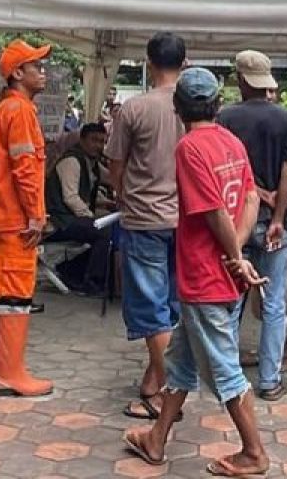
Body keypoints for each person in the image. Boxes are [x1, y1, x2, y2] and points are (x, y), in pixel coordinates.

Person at [121, 67, 270, 475]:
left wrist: (232, 253)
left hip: (206, 275)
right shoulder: (231, 142)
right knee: (182, 361)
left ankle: (254, 452)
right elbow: (252, 198)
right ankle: (156, 439)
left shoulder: (190, 148)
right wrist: (238, 252)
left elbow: (213, 212)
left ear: (177, 107)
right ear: (217, 105)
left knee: (224, 367)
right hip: (218, 272)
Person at [105, 32, 187, 421]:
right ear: (184, 64)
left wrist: (122, 194)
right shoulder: (195, 109)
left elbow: (114, 167)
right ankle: (153, 383)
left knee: (150, 308)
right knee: (170, 303)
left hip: (143, 218)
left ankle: (167, 392)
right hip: (184, 220)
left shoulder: (133, 109)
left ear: (149, 63)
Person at [0, 39, 54, 397]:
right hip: (15, 219)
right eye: (37, 66)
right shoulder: (19, 112)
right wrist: (36, 215)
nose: (43, 71)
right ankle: (10, 374)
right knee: (16, 297)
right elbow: (25, 169)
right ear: (18, 73)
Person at [218, 50, 287, 401]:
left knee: (231, 300)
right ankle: (269, 381)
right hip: (273, 225)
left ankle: (228, 379)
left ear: (240, 80)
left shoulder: (224, 118)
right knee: (274, 303)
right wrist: (279, 218)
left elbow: (223, 172)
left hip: (235, 221)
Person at [43, 122, 113, 294]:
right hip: (58, 221)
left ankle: (71, 271)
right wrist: (91, 218)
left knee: (113, 229)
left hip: (70, 217)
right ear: (82, 140)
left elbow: (105, 181)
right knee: (104, 233)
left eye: (102, 142)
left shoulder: (92, 163)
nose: (98, 145)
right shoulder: (72, 161)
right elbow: (71, 198)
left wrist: (107, 204)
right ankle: (92, 283)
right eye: (94, 140)